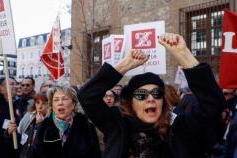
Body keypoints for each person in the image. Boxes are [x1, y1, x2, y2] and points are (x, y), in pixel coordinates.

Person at [78, 33, 225, 158]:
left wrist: (184, 55)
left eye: (157, 94)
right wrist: (124, 65)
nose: (151, 98)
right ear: (131, 103)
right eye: (142, 95)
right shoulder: (116, 126)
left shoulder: (180, 128)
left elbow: (213, 103)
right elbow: (87, 96)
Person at [33, 85, 101, 158]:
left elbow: (96, 154)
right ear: (52, 106)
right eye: (56, 100)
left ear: (73, 104)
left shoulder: (86, 127)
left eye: (64, 99)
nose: (60, 103)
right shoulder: (44, 128)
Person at [9, 93, 50, 158]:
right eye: (37, 103)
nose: (40, 106)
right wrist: (9, 132)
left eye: (44, 103)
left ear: (49, 105)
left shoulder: (50, 120)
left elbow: (41, 143)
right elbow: (19, 136)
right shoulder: (28, 116)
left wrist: (39, 124)